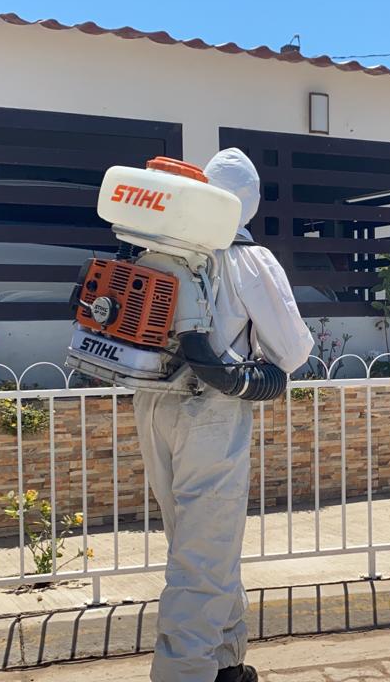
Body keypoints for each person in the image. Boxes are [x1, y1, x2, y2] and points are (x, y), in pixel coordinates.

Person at [133, 148, 314, 682]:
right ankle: (185, 673)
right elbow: (292, 351)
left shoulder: (158, 250)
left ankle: (225, 661)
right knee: (206, 552)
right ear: (248, 202)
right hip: (210, 409)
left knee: (198, 540)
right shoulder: (247, 259)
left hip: (153, 404)